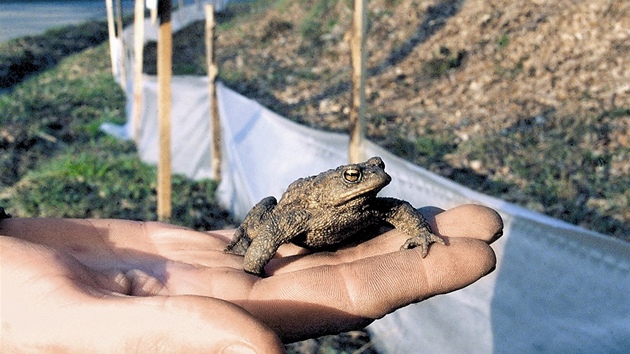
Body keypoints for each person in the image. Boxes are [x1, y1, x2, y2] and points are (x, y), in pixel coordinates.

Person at [0, 204, 502, 353]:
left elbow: (393, 207)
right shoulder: (310, 202)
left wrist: (415, 230)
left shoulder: (372, 200)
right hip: (295, 218)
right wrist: (251, 256)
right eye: (357, 179)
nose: (374, 183)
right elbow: (277, 221)